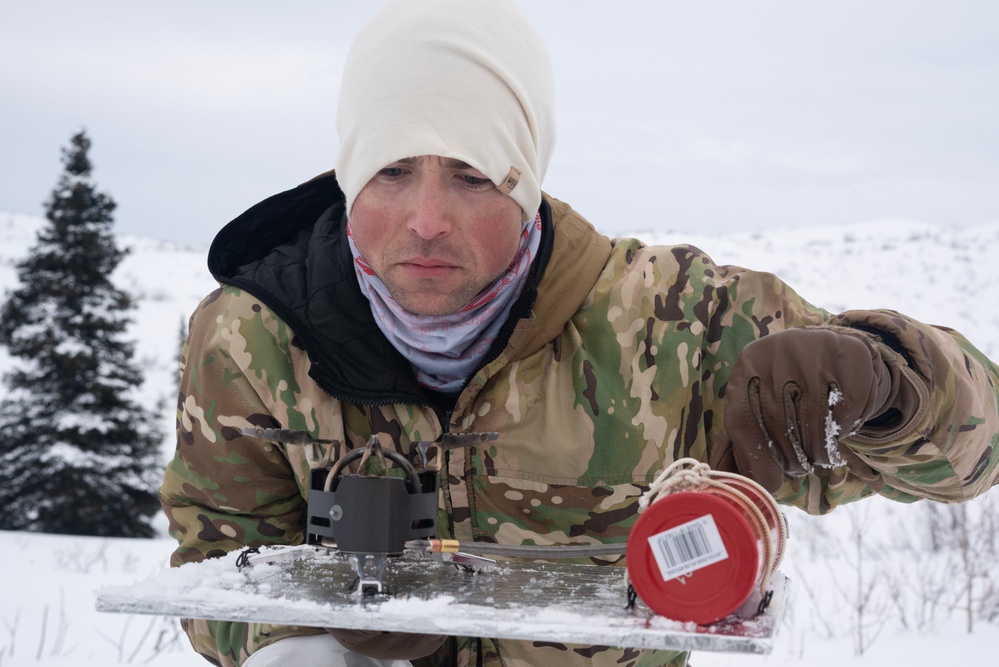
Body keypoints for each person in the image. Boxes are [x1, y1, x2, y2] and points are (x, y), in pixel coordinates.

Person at [160, 1, 999, 666]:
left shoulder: (680, 324)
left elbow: (979, 453)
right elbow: (215, 554)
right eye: (391, 170)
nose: (424, 220)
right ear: (347, 173)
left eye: (470, 174)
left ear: (527, 183)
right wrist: (294, 647)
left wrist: (893, 385)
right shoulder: (250, 341)